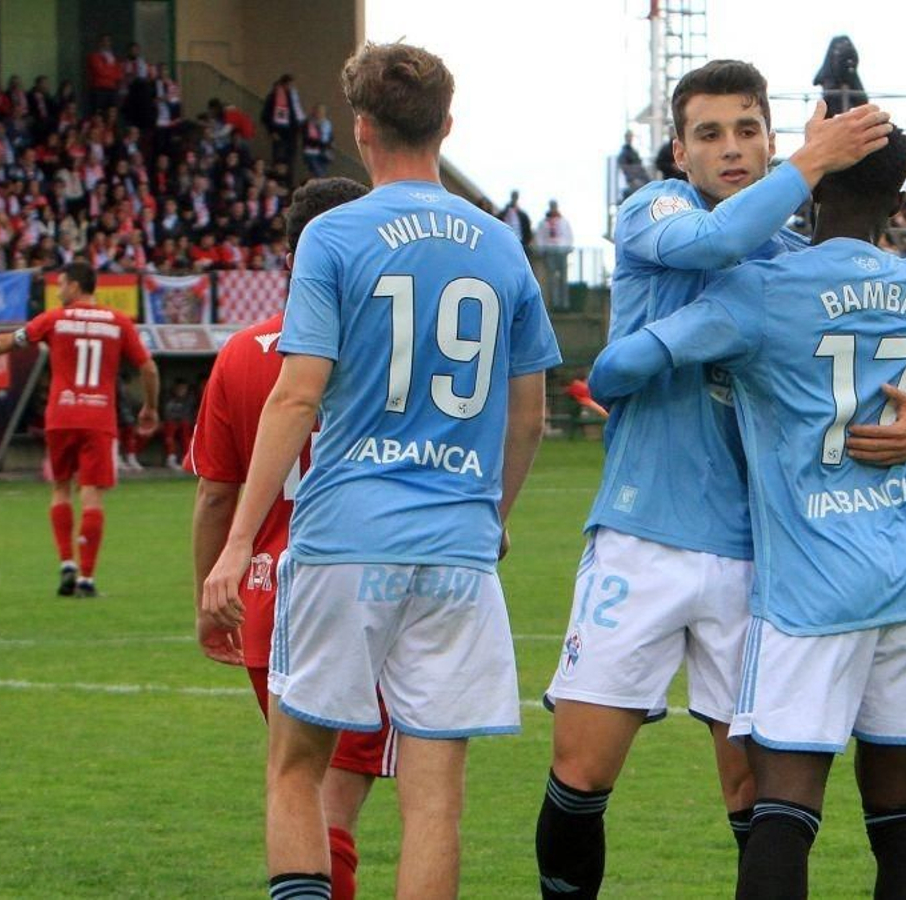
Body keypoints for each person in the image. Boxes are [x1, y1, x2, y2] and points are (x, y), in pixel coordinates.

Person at [535, 60, 906, 900]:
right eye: (710, 133)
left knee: (755, 792)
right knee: (581, 771)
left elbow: (879, 368)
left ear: (768, 138)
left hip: (759, 553)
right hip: (644, 533)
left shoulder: (793, 259)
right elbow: (711, 246)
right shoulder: (659, 210)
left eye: (748, 130)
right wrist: (810, 164)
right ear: (679, 152)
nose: (732, 149)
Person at [201, 42, 560, 900]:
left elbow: (295, 399)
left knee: (295, 768)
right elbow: (532, 414)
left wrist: (238, 541)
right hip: (457, 556)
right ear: (446, 125)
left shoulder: (334, 233)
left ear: (361, 131)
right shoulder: (502, 247)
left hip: (343, 543)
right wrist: (491, 513)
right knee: (435, 803)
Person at [188, 176, 390, 900]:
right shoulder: (391, 347)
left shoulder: (241, 352)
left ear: (289, 252)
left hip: (268, 598)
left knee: (293, 787)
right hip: (369, 589)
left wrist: (210, 597)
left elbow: (215, 492)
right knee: (332, 806)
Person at [0, 261, 159, 597]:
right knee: (91, 495)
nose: (59, 290)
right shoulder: (118, 322)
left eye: (62, 284)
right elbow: (148, 368)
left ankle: (67, 562)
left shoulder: (56, 320)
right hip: (98, 418)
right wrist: (149, 406)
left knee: (61, 488)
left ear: (76, 286)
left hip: (61, 414)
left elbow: (12, 340)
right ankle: (87, 578)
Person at [534, 200, 575, 310]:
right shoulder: (544, 222)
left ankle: (564, 303)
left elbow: (569, 235)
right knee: (551, 279)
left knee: (563, 278)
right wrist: (542, 249)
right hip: (550, 251)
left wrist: (568, 247)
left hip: (562, 250)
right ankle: (554, 303)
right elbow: (540, 236)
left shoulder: (563, 221)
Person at [160, 379, 196, 470]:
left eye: (184, 388)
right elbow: (166, 413)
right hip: (170, 422)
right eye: (180, 388)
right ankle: (171, 458)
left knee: (186, 430)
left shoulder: (189, 398)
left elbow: (189, 414)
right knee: (170, 430)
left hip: (183, 423)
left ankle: (187, 458)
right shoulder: (168, 397)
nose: (182, 390)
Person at [301, 104, 335, 179]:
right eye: (319, 112)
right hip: (311, 152)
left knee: (320, 174)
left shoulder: (327, 124)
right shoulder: (309, 123)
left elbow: (330, 137)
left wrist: (330, 145)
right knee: (319, 174)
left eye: (322, 112)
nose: (321, 114)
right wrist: (321, 144)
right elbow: (307, 138)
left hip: (324, 153)